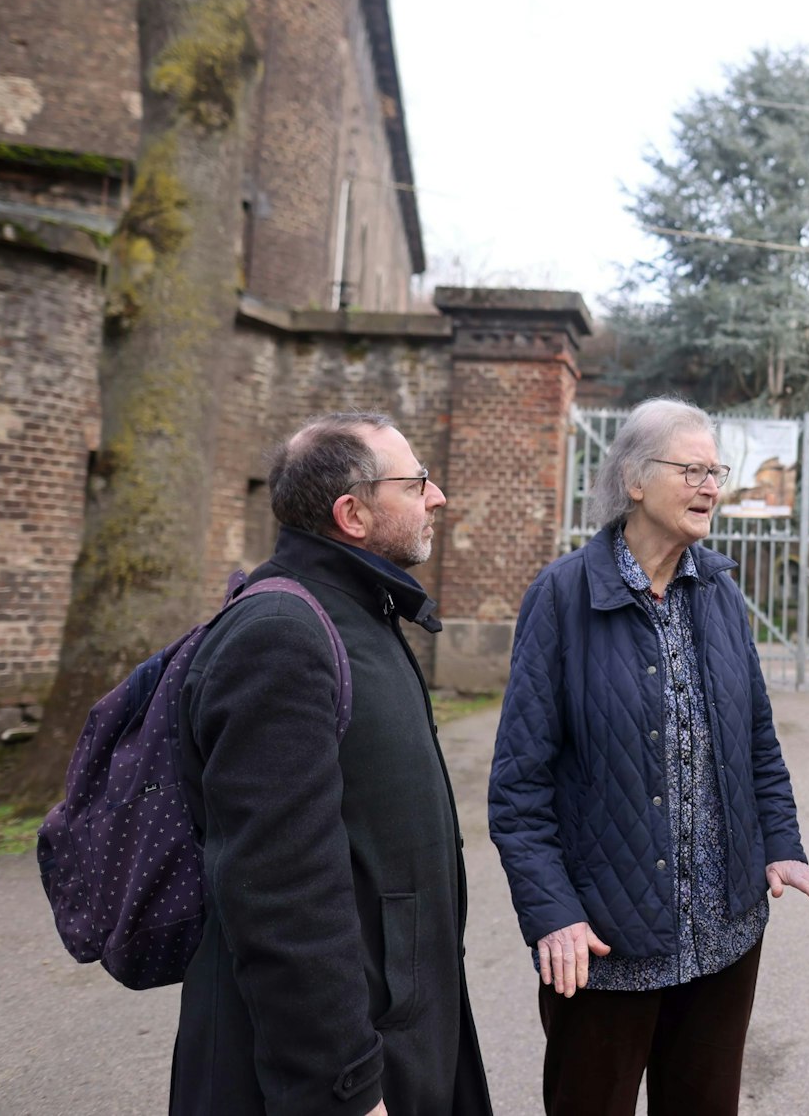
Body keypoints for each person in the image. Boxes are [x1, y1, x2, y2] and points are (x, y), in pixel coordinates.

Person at [488, 396, 809, 1116]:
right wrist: (551, 912)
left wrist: (781, 844)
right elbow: (519, 787)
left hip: (725, 935)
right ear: (634, 479)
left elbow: (757, 742)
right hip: (604, 943)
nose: (713, 484)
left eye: (717, 470)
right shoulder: (562, 598)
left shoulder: (718, 589)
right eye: (693, 468)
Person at [173, 412, 491, 1116]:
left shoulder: (359, 611)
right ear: (353, 513)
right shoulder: (281, 635)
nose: (436, 496)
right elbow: (280, 896)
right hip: (336, 1074)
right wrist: (343, 1087)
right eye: (417, 483)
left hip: (400, 1030)